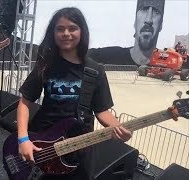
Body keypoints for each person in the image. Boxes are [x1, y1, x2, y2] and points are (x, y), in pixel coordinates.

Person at [17, 7, 132, 180]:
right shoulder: (46, 65)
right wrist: (23, 139)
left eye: (72, 28)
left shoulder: (95, 70)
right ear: (53, 33)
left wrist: (118, 127)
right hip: (42, 145)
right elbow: (24, 102)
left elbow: (102, 110)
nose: (66, 33)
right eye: (60, 29)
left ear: (81, 32)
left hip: (80, 149)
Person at [88, 0, 165, 66]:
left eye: (156, 12)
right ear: (135, 22)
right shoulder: (109, 56)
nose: (148, 20)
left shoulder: (166, 64)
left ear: (161, 25)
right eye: (144, 10)